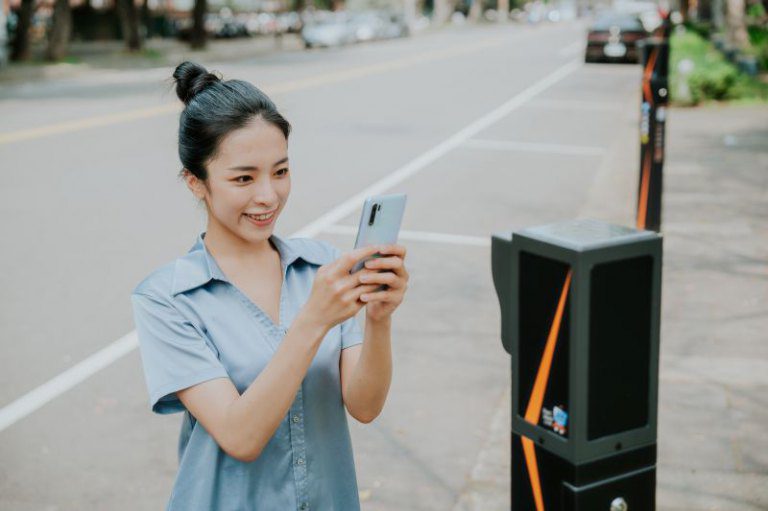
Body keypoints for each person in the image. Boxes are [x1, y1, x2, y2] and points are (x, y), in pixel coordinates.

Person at [130, 61, 409, 511]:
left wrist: (379, 319)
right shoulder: (167, 299)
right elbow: (240, 436)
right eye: (244, 178)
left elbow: (364, 405)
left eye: (280, 171)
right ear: (195, 183)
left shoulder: (323, 267)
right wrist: (314, 319)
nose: (268, 196)